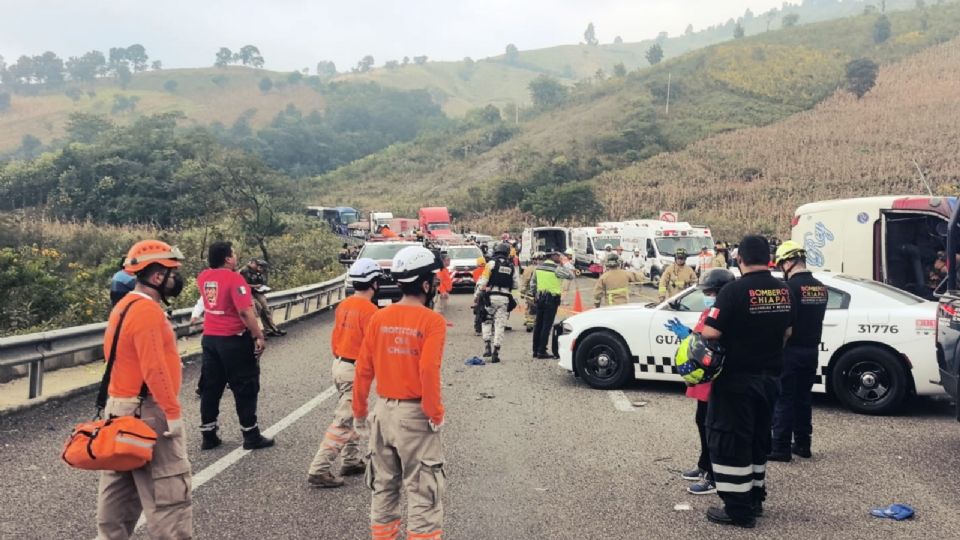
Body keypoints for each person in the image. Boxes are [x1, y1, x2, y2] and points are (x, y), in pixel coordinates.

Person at [96, 240, 192, 539]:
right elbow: (155, 369)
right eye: (172, 273)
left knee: (118, 501)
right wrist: (172, 413)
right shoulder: (148, 312)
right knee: (168, 500)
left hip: (119, 410)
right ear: (155, 276)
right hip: (147, 413)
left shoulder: (123, 306)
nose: (177, 279)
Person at [353, 246, 447, 540]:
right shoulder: (432, 322)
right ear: (425, 284)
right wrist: (435, 413)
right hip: (415, 415)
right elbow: (428, 372)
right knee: (423, 494)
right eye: (433, 279)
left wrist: (359, 413)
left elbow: (363, 369)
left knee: (383, 490)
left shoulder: (378, 318)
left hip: (382, 413)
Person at [700, 235, 793, 528]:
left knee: (730, 440)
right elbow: (788, 332)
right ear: (769, 259)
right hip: (770, 379)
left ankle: (738, 510)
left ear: (739, 260)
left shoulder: (733, 291)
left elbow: (710, 333)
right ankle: (755, 497)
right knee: (757, 438)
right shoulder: (783, 290)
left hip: (736, 380)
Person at [307, 259, 382, 488]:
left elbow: (335, 337)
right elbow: (374, 346)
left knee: (356, 413)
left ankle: (350, 460)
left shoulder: (345, 304)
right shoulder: (370, 311)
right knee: (344, 419)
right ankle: (319, 469)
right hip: (355, 370)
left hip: (339, 364)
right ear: (374, 283)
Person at [664, 269, 736, 497]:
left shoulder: (726, 311)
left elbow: (713, 341)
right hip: (704, 379)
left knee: (712, 427)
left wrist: (689, 337)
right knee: (701, 421)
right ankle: (704, 464)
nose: (708, 295)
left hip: (715, 378)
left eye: (711, 292)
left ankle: (714, 476)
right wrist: (687, 335)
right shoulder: (711, 310)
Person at [197, 241, 273, 451]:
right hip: (233, 339)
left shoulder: (203, 277)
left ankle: (208, 434)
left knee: (211, 387)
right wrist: (258, 335)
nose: (236, 256)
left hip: (210, 338)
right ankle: (251, 434)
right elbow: (245, 312)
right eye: (233, 254)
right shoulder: (234, 279)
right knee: (245, 386)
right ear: (228, 258)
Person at [769, 241, 828, 462]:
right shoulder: (820, 287)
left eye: (781, 264)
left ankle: (780, 448)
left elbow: (786, 325)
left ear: (789, 262)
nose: (781, 269)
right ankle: (803, 444)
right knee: (803, 398)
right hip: (812, 350)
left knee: (784, 399)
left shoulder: (789, 289)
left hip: (791, 351)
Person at [476, 242, 520, 363]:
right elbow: (516, 285)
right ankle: (496, 350)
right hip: (504, 298)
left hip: (490, 298)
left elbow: (483, 281)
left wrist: (477, 295)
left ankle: (487, 345)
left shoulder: (491, 263)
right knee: (500, 325)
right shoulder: (511, 266)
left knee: (486, 320)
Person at [531, 250, 575, 359]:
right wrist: (565, 264)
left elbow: (533, 284)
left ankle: (535, 350)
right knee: (546, 325)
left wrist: (535, 295)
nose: (560, 258)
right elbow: (571, 275)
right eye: (558, 256)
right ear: (553, 257)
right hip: (551, 299)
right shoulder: (556, 269)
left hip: (540, 298)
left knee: (538, 325)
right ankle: (542, 351)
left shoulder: (538, 268)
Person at [240, 258, 286, 338]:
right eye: (259, 266)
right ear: (253, 264)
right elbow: (241, 285)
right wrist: (255, 286)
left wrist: (262, 287)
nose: (260, 268)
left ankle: (271, 329)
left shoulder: (258, 272)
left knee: (266, 310)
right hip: (247, 293)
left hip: (257, 292)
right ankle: (254, 333)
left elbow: (261, 281)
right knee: (256, 310)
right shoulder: (245, 271)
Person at [520, 252, 541, 332]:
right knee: (537, 308)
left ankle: (529, 323)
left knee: (530, 308)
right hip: (540, 292)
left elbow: (525, 281)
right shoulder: (543, 268)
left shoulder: (528, 269)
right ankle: (534, 323)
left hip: (530, 292)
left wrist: (522, 291)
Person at [471, 256, 487, 336]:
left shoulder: (475, 272)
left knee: (478, 312)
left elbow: (475, 281)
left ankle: (478, 330)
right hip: (488, 292)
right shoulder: (488, 270)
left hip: (479, 292)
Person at [434, 251, 453, 318]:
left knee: (442, 310)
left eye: (449, 260)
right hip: (442, 293)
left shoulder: (445, 269)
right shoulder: (440, 270)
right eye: (447, 260)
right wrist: (443, 291)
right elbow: (439, 282)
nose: (449, 261)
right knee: (439, 310)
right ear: (442, 261)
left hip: (445, 292)